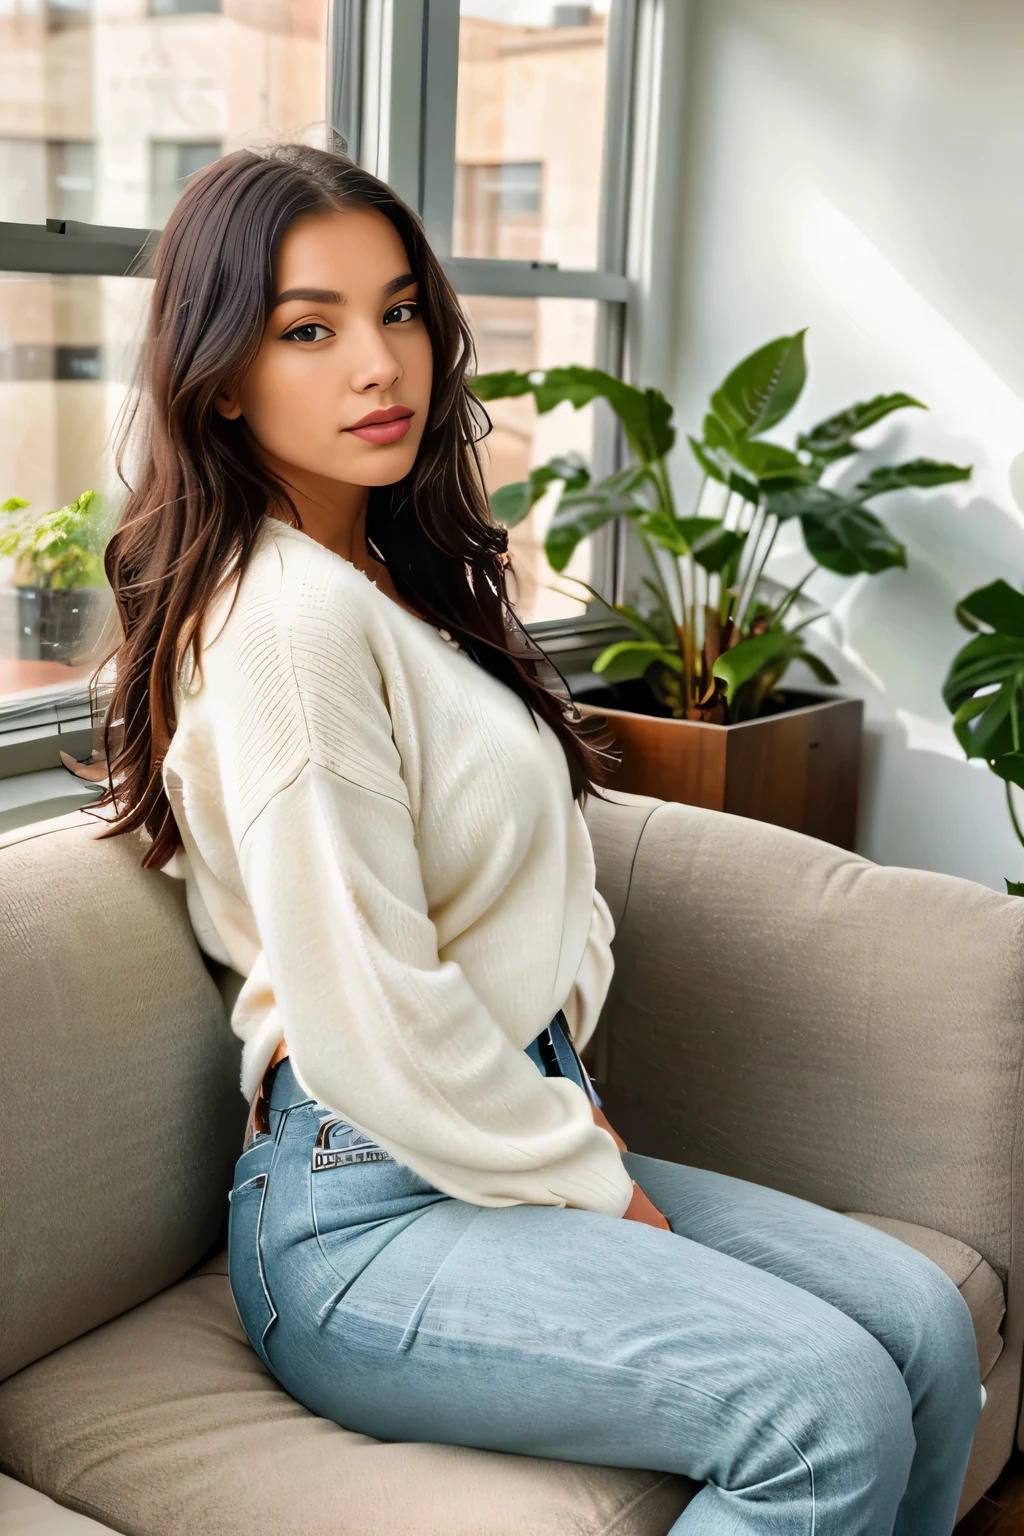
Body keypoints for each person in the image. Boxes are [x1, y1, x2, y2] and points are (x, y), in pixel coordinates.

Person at [80, 143, 982, 1534]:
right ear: (221, 372)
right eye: (306, 329)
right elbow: (365, 1015)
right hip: (363, 1211)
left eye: (396, 311)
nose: (379, 366)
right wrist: (594, 1185)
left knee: (921, 1323)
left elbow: (535, 884)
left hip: (499, 1127)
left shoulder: (384, 578)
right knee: (823, 1407)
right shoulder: (286, 623)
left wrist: (576, 1116)